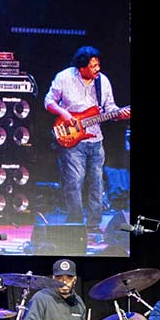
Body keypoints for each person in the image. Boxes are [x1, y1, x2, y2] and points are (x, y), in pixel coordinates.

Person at [43, 45, 131, 234]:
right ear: (81, 68)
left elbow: (110, 109)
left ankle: (93, 225)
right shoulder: (64, 77)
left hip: (95, 140)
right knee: (74, 182)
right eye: (93, 66)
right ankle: (75, 224)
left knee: (97, 182)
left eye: (98, 64)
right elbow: (48, 101)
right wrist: (64, 114)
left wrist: (120, 114)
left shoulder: (103, 81)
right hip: (72, 139)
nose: (97, 69)